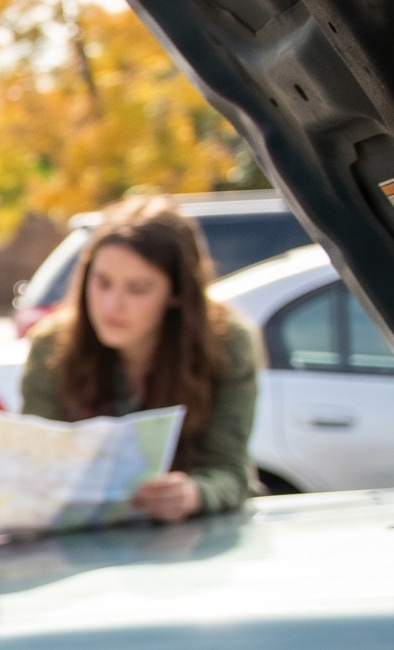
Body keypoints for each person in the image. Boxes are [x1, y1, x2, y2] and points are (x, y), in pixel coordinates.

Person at [19, 196, 258, 521]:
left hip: (186, 543)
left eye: (137, 289)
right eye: (102, 283)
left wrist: (194, 493)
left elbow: (230, 471)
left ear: (176, 293)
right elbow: (34, 462)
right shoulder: (52, 345)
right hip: (77, 542)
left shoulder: (227, 344)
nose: (112, 305)